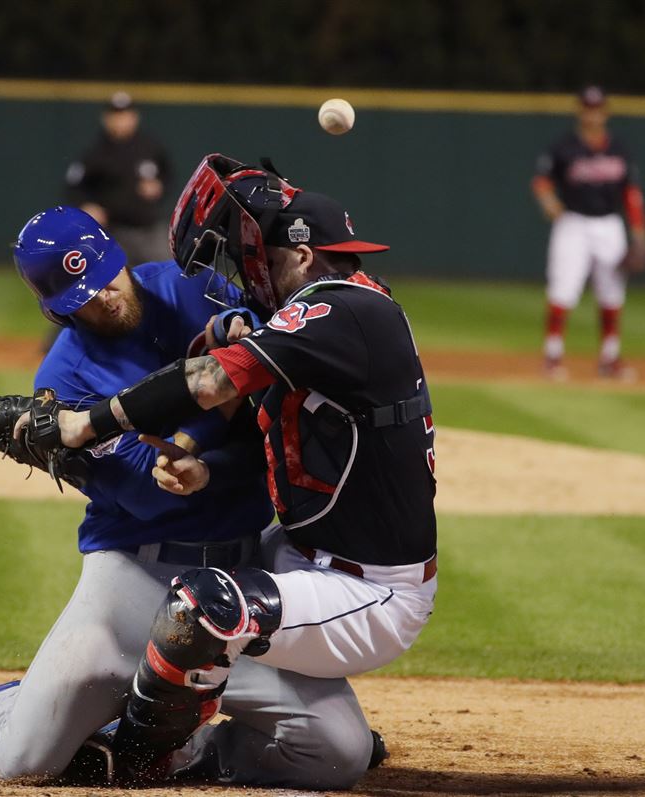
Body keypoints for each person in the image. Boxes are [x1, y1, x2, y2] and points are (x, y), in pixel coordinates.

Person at [0, 206, 384, 789]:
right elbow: (154, 496)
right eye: (82, 296)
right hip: (131, 589)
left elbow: (269, 421)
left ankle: (189, 747)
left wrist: (202, 451)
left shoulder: (197, 289)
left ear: (116, 253)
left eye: (105, 277)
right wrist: (214, 428)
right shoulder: (65, 382)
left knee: (338, 754)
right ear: (54, 308)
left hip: (242, 583)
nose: (102, 297)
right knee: (24, 764)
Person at [37, 155, 438, 782]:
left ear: (305, 257)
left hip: (368, 589)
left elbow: (211, 378)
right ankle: (128, 706)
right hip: (301, 553)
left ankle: (139, 755)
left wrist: (85, 424)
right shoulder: (329, 314)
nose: (252, 277)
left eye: (267, 256)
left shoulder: (344, 310)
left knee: (207, 609)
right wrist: (211, 471)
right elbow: (266, 435)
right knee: (213, 608)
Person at [531, 85, 645, 381]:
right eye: (587, 107)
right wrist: (548, 200)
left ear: (605, 112)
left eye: (597, 108)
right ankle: (553, 356)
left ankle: (610, 359)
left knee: (612, 293)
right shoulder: (564, 147)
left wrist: (639, 231)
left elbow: (632, 193)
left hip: (609, 225)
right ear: (580, 111)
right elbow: (542, 180)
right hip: (573, 223)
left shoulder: (619, 149)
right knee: (563, 289)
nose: (592, 114)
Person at [63, 91, 172, 266]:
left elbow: (168, 176)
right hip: (115, 231)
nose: (121, 120)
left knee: (168, 276)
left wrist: (160, 186)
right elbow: (73, 186)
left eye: (125, 115)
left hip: (151, 229)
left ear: (135, 117)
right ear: (106, 119)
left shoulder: (150, 147)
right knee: (118, 284)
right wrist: (87, 205)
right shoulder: (95, 153)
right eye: (116, 115)